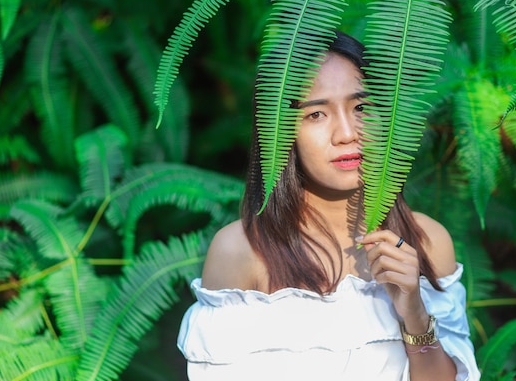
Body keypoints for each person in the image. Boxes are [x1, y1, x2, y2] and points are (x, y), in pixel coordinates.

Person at [177, 31, 481, 381]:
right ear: (279, 132)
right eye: (317, 114)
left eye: (362, 107)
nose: (347, 133)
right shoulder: (243, 252)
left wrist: (413, 311)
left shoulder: (426, 241)